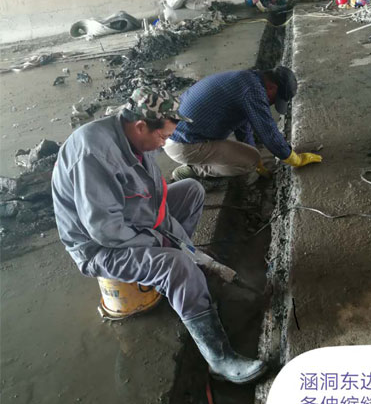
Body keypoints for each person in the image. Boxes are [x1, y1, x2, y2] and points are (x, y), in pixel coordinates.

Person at [51, 86, 266, 385]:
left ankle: (182, 283)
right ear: (141, 126)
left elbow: (155, 198)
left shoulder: (133, 137)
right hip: (99, 246)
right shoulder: (94, 155)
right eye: (163, 137)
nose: (165, 142)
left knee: (191, 191)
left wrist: (180, 244)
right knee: (175, 265)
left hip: (132, 217)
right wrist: (166, 245)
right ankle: (219, 360)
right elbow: (105, 231)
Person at [164, 66, 322, 182]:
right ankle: (193, 170)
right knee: (249, 162)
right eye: (276, 99)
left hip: (174, 134)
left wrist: (253, 155)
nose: (272, 104)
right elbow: (268, 132)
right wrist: (291, 157)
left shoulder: (246, 80)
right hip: (183, 144)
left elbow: (243, 126)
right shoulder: (253, 91)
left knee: (251, 156)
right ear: (272, 87)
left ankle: (200, 161)